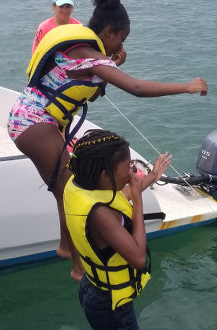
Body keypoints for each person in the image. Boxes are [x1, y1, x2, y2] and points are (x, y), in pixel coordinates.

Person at [8, 0, 207, 281]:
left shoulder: (84, 52)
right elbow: (136, 88)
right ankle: (78, 266)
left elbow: (84, 88)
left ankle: (67, 248)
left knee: (63, 190)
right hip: (35, 123)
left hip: (32, 120)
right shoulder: (90, 53)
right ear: (110, 31)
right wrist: (187, 87)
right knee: (71, 191)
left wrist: (110, 63)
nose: (121, 45)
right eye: (121, 38)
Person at [64, 129, 170, 329]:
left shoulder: (79, 185)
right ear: (105, 174)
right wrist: (138, 200)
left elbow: (120, 195)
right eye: (128, 166)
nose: (131, 171)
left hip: (91, 284)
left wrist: (153, 177)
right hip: (110, 304)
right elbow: (138, 258)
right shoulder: (101, 215)